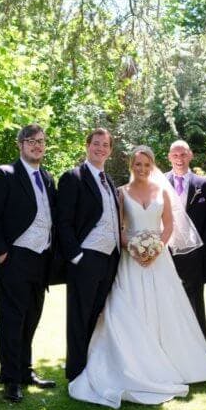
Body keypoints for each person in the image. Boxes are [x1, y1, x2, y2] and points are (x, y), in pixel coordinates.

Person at [68, 146, 206, 408]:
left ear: (153, 166)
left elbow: (169, 225)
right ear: (131, 165)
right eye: (138, 164)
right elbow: (118, 228)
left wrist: (156, 248)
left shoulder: (162, 191)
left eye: (147, 164)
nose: (142, 169)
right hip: (131, 260)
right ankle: (135, 361)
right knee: (131, 306)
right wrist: (135, 248)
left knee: (166, 309)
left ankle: (173, 361)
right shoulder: (121, 193)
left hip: (159, 260)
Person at [0, 124, 58, 403]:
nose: (37, 145)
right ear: (20, 145)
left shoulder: (47, 177)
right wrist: (2, 253)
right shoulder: (5, 174)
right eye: (31, 141)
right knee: (12, 321)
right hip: (14, 258)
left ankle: (25, 371)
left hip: (41, 259)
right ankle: (11, 380)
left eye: (41, 141)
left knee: (31, 318)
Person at [57, 128, 121, 382]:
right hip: (86, 258)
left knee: (97, 316)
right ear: (87, 145)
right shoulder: (73, 177)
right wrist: (76, 257)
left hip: (110, 259)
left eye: (105, 145)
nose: (100, 148)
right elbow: (63, 222)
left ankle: (92, 367)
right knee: (79, 318)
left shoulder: (109, 181)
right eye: (96, 143)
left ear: (110, 150)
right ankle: (76, 373)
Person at [165, 140, 206, 340]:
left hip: (195, 254)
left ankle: (200, 345)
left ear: (191, 155)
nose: (179, 158)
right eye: (175, 155)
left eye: (183, 154)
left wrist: (203, 248)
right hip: (167, 253)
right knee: (168, 300)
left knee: (195, 300)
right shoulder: (160, 182)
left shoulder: (205, 185)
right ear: (169, 157)